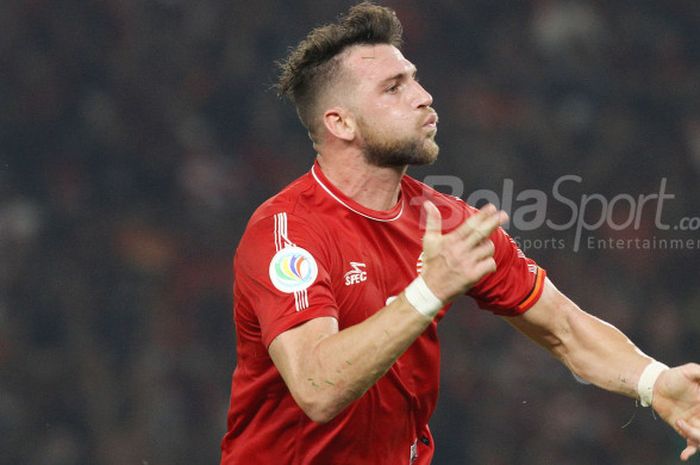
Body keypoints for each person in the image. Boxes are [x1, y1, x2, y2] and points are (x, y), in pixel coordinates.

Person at [220, 3, 700, 464]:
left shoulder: (447, 222)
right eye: (393, 88)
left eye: (413, 78)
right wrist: (428, 291)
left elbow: (565, 329)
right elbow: (316, 388)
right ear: (340, 122)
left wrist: (654, 381)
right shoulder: (286, 232)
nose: (423, 95)